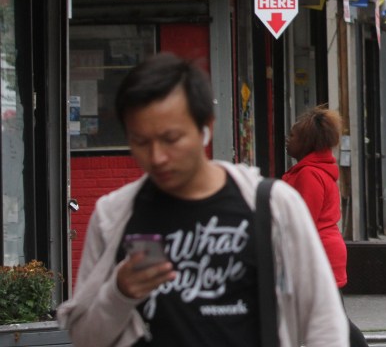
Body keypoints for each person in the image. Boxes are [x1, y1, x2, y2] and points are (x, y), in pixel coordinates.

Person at [58, 53, 348, 347]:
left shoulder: (271, 205)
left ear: (205, 126)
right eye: (141, 141)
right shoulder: (114, 216)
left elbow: (323, 322)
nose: (157, 157)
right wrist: (119, 293)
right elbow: (84, 338)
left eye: (171, 139)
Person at [281, 106, 368, 347]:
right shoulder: (313, 171)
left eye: (293, 135)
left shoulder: (308, 174)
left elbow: (303, 220)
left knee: (334, 319)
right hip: (323, 251)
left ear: (307, 142)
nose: (287, 140)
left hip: (316, 254)